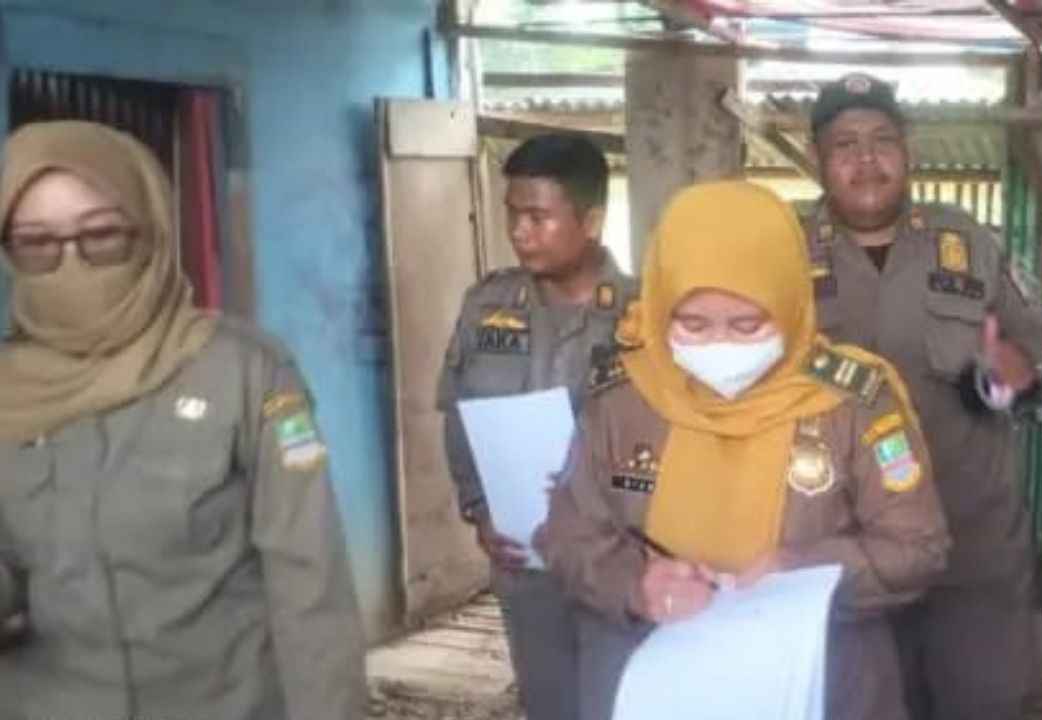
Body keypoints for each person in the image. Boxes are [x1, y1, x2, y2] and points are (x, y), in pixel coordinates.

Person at [539, 180, 951, 720]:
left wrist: (803, 570)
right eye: (692, 324)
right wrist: (636, 586)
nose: (720, 344)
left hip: (819, 681)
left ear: (790, 303)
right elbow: (567, 532)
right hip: (657, 680)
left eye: (747, 325)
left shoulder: (854, 402)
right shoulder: (623, 398)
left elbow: (917, 547)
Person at [0, 121, 364, 719]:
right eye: (36, 244)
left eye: (101, 236)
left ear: (150, 233)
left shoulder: (247, 372)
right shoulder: (8, 390)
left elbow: (309, 583)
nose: (70, 264)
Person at [802, 73, 1042, 720]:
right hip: (840, 551)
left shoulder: (966, 243)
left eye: (882, 140)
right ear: (817, 158)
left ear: (907, 150)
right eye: (845, 145)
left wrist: (1009, 374)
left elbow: (1031, 353)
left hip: (969, 540)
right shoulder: (781, 251)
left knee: (988, 704)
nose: (867, 160)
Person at [436, 132, 635, 720]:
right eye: (512, 215)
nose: (519, 232)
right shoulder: (487, 305)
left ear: (590, 220)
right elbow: (459, 413)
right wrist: (479, 509)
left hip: (618, 558)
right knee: (548, 704)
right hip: (526, 562)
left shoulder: (643, 314)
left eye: (538, 217)